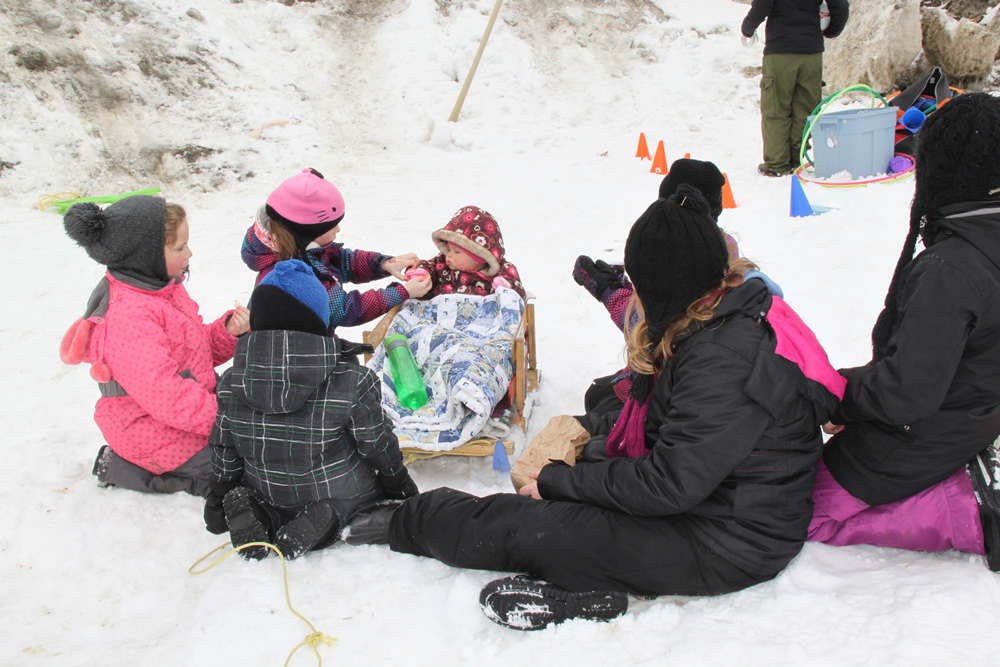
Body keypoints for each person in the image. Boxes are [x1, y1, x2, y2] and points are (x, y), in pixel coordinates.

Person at [341, 187, 845, 630]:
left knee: (533, 525)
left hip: (726, 540)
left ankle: (407, 521)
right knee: (600, 415)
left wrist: (559, 483)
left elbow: (667, 484)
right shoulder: (723, 312)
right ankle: (590, 571)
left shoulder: (724, 360)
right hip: (718, 500)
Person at [807, 93, 1000, 570]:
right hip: (970, 414)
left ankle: (967, 511)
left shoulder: (951, 268)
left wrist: (834, 394)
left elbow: (906, 393)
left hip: (922, 432)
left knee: (796, 511)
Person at [204, 259, 416, 560]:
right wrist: (400, 486)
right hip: (340, 492)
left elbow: (225, 450)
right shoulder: (352, 381)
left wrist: (218, 499)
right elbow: (376, 445)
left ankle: (264, 515)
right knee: (363, 506)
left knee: (266, 495)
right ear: (319, 319)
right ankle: (332, 519)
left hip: (268, 489)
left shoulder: (231, 382)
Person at [60, 195, 250, 497]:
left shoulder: (162, 290)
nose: (190, 252)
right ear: (145, 256)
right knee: (239, 471)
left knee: (258, 447)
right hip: (149, 431)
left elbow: (194, 353)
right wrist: (230, 420)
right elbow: (168, 397)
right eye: (179, 247)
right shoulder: (129, 318)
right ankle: (124, 468)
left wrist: (227, 332)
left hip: (183, 414)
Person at [571, 158, 748, 415]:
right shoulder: (722, 252)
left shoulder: (684, 257)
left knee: (601, 401)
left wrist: (611, 292)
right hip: (689, 381)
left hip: (680, 391)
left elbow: (659, 327)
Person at [242, 168, 432, 331]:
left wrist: (383, 264)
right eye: (331, 227)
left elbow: (341, 261)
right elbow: (346, 310)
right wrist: (401, 292)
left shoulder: (301, 248)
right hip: (295, 360)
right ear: (307, 233)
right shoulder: (292, 276)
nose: (338, 230)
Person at [741, 0, 850, 177]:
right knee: (805, 107)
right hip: (811, 53)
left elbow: (762, 5)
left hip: (780, 52)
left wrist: (747, 29)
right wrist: (831, 30)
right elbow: (841, 5)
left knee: (776, 108)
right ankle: (797, 158)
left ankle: (777, 164)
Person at [409, 205, 526, 300]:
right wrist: (422, 272)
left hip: (482, 324)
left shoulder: (499, 274)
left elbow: (518, 295)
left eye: (457, 252)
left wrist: (506, 289)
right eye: (449, 249)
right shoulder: (442, 265)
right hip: (442, 320)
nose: (449, 254)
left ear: (479, 256)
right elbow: (430, 266)